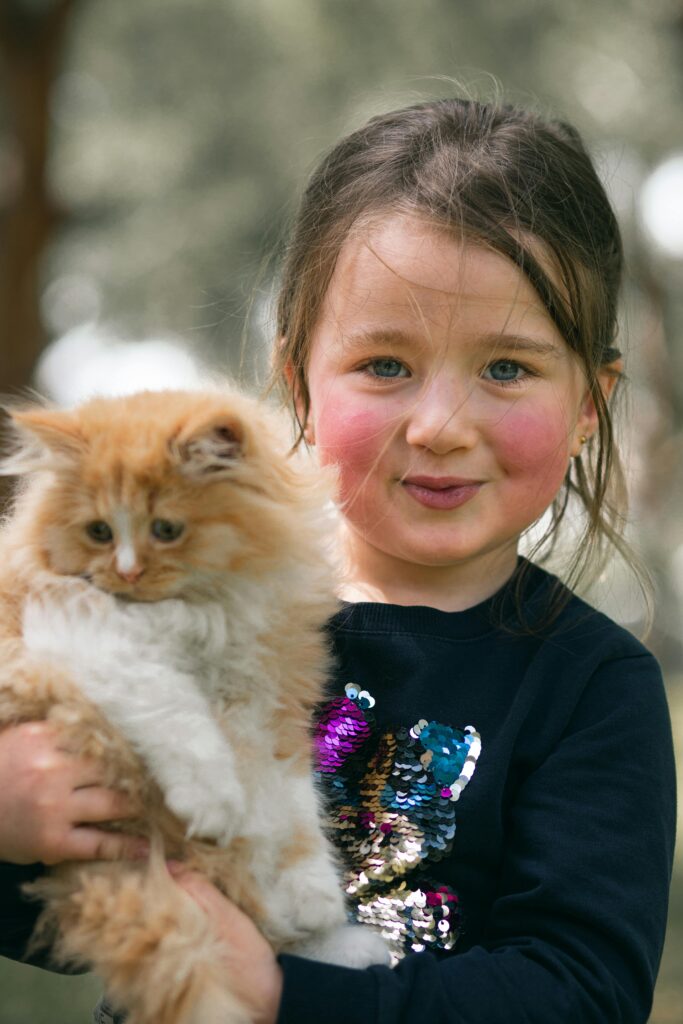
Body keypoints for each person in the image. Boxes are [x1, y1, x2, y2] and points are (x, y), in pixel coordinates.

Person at [0, 97, 676, 1024]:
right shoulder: (176, 604)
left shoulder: (591, 687)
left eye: (507, 369)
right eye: (386, 366)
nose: (438, 427)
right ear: (298, 383)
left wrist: (285, 996)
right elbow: (57, 905)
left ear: (588, 405)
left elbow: (578, 995)